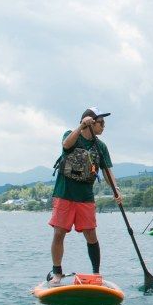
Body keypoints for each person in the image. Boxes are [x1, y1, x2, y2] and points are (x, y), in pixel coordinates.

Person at [46, 107, 122, 284]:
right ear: (91, 122)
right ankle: (56, 272)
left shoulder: (101, 147)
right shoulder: (71, 135)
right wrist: (80, 126)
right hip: (64, 193)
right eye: (101, 122)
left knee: (91, 235)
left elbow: (107, 170)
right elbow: (66, 145)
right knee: (59, 233)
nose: (104, 126)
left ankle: (96, 274)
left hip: (85, 197)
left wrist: (116, 190)